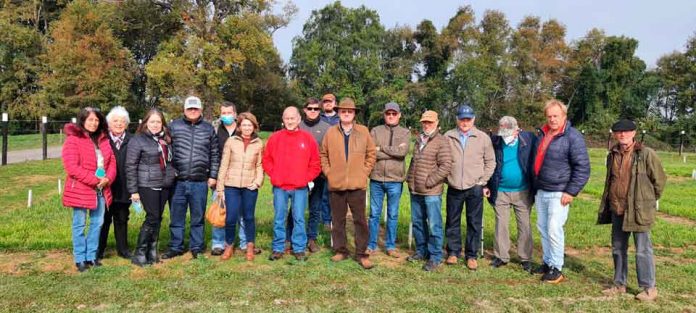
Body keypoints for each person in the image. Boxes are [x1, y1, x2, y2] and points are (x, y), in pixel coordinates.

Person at [598, 119, 666, 301]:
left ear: (634, 133)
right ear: (614, 134)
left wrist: (647, 200)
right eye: (619, 132)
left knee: (643, 249)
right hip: (617, 208)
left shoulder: (646, 154)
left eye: (627, 132)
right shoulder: (611, 154)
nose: (622, 135)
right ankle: (619, 284)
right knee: (618, 248)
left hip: (638, 211)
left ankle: (649, 288)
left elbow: (659, 181)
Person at [533, 99, 590, 283]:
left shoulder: (572, 137)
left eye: (556, 116)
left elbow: (582, 167)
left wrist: (571, 191)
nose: (552, 119)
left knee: (553, 229)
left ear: (564, 116)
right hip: (542, 190)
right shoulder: (543, 133)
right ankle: (547, 262)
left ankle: (557, 268)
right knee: (542, 228)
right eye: (549, 116)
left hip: (559, 191)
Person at [320, 97, 377, 269]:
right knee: (338, 220)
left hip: (357, 184)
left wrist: (364, 172)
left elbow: (371, 154)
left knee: (360, 220)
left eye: (349, 111)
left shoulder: (363, 131)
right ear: (338, 113)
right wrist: (329, 173)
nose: (346, 114)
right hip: (336, 184)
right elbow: (323, 155)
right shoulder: (330, 132)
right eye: (343, 111)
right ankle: (341, 250)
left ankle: (362, 254)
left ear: (354, 114)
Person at [163, 96, 220, 259]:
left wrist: (213, 175)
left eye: (195, 109)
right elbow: (165, 150)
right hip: (178, 181)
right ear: (184, 110)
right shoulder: (174, 126)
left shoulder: (209, 129)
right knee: (176, 217)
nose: (193, 111)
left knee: (197, 217)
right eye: (190, 109)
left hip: (200, 181)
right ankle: (176, 246)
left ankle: (196, 246)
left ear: (200, 110)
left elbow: (214, 154)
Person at [62, 107, 117, 272]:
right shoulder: (73, 140)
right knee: (79, 224)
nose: (93, 123)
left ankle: (91, 256)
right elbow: (72, 167)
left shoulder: (104, 139)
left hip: (101, 188)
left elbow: (112, 161)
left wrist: (108, 179)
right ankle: (80, 258)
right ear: (83, 120)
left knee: (97, 223)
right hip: (82, 188)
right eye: (90, 119)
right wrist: (94, 181)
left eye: (96, 120)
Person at [263, 107, 321, 261]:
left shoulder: (308, 139)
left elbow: (315, 163)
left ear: (299, 119)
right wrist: (275, 174)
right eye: (287, 118)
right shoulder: (275, 138)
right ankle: (278, 247)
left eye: (292, 118)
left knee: (299, 218)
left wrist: (305, 178)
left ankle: (299, 248)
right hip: (280, 187)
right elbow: (266, 160)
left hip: (300, 187)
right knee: (279, 217)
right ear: (283, 119)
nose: (290, 121)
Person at [443, 104, 495, 271]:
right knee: (452, 220)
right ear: (457, 119)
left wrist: (483, 181)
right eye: (462, 119)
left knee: (473, 222)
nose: (465, 122)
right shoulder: (448, 136)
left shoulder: (482, 137)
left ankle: (471, 255)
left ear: (473, 119)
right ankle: (453, 252)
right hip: (454, 185)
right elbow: (441, 159)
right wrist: (447, 178)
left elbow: (490, 161)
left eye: (468, 119)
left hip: (474, 187)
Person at [209, 101, 261, 256]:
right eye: (244, 125)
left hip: (248, 185)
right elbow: (223, 164)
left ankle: (248, 245)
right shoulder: (229, 140)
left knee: (248, 217)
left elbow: (260, 165)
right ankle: (226, 245)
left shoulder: (258, 143)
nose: (246, 128)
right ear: (240, 126)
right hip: (230, 185)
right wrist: (220, 187)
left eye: (249, 125)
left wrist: (257, 182)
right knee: (228, 217)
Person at [126, 108, 176, 266]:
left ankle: (152, 252)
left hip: (164, 184)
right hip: (147, 184)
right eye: (152, 121)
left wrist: (174, 173)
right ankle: (140, 253)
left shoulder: (165, 140)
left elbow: (169, 161)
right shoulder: (138, 140)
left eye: (158, 122)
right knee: (152, 217)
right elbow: (130, 166)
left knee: (158, 218)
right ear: (146, 122)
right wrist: (133, 191)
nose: (155, 125)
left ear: (163, 124)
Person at [487, 116, 536, 272]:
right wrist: (486, 185)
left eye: (509, 131)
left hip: (523, 191)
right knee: (501, 224)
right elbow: (488, 163)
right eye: (503, 131)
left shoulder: (528, 140)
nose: (505, 135)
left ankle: (525, 258)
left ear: (517, 129)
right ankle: (501, 256)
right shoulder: (495, 142)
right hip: (500, 190)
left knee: (524, 224)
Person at [406, 110, 453, 271]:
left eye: (430, 122)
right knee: (418, 223)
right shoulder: (420, 139)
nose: (427, 125)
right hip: (416, 190)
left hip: (431, 191)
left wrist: (430, 181)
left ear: (437, 123)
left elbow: (446, 165)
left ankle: (435, 256)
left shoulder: (441, 141)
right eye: (425, 122)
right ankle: (421, 251)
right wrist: (410, 180)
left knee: (434, 225)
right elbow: (414, 162)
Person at [286, 98, 331, 253]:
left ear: (320, 110)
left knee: (315, 208)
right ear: (304, 110)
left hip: (318, 175)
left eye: (316, 109)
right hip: (297, 176)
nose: (313, 111)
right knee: (295, 209)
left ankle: (311, 238)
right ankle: (288, 238)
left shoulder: (327, 128)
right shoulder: (297, 126)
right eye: (310, 108)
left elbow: (327, 153)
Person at [367, 102, 410, 258]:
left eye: (394, 114)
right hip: (376, 179)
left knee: (392, 214)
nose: (391, 116)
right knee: (374, 214)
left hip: (395, 180)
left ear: (399, 115)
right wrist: (392, 151)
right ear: (384, 115)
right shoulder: (375, 131)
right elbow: (371, 152)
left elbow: (402, 152)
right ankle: (371, 244)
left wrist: (382, 148)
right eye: (388, 114)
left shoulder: (405, 132)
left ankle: (390, 245)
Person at [97, 106, 132, 260]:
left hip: (125, 187)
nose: (119, 124)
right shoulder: (102, 140)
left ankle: (123, 249)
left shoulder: (132, 140)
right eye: (115, 121)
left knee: (122, 218)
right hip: (106, 187)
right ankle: (99, 249)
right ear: (108, 123)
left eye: (122, 121)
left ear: (127, 124)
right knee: (103, 219)